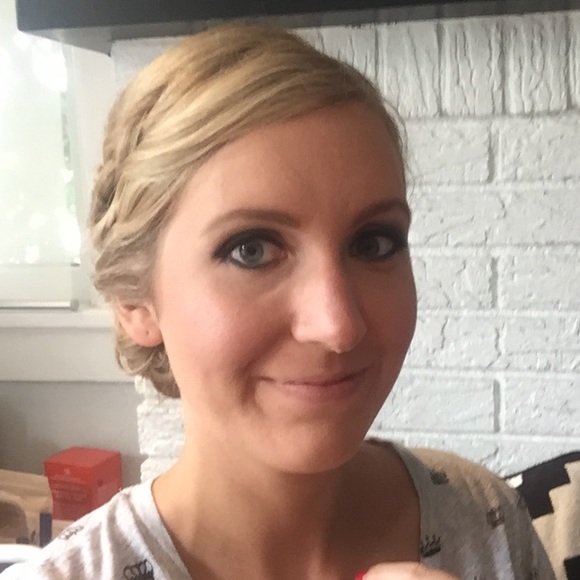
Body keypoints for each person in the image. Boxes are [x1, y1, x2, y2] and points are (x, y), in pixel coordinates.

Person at [1, 24, 554, 580]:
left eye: (373, 243)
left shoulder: (485, 519)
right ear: (133, 300)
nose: (338, 325)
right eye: (251, 250)